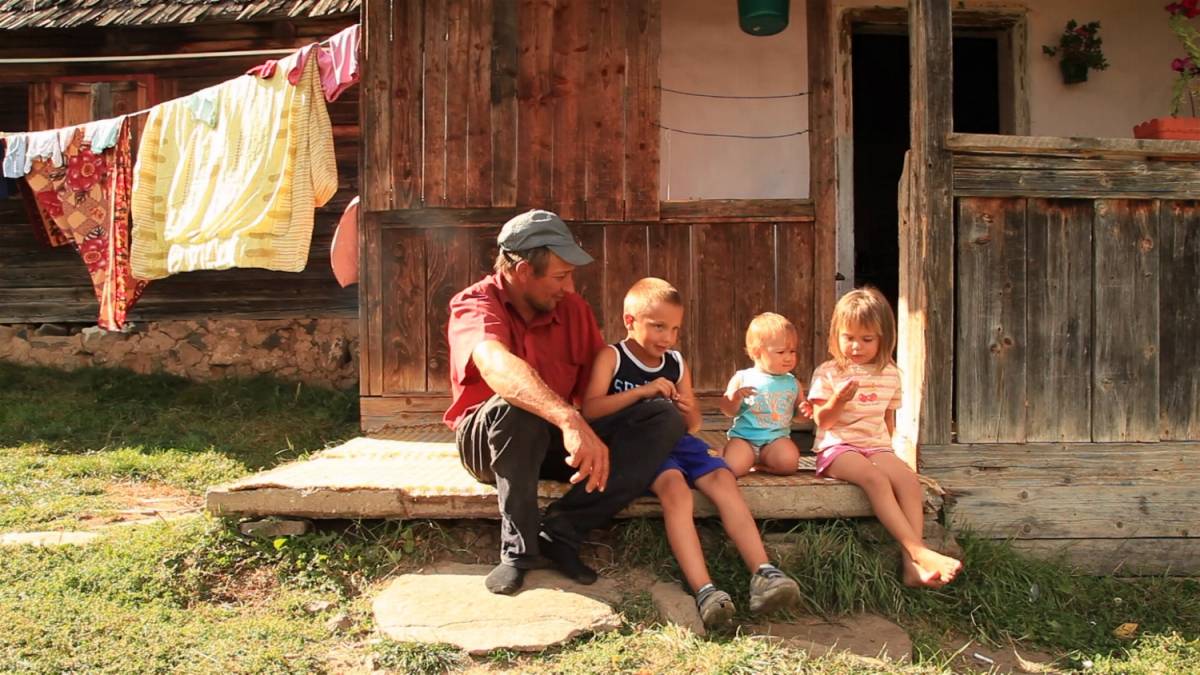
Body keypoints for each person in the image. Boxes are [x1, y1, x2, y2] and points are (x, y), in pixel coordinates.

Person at [446, 210, 685, 595]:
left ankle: (562, 532)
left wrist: (654, 406)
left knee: (661, 417)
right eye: (561, 277)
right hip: (491, 443)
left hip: (557, 440)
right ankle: (519, 550)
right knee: (516, 405)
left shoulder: (573, 309)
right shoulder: (475, 304)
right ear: (524, 271)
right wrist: (568, 419)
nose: (569, 287)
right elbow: (495, 364)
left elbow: (601, 391)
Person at [581, 278, 801, 628]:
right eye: (658, 327)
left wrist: (686, 410)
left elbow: (695, 423)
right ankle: (705, 591)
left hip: (680, 442)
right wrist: (642, 392)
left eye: (675, 329)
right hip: (641, 447)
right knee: (676, 492)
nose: (667, 338)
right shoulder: (613, 356)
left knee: (723, 479)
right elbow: (591, 409)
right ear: (629, 321)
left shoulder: (676, 362)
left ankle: (764, 573)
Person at [808, 287, 963, 588]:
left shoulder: (890, 373)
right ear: (836, 335)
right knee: (876, 480)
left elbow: (887, 419)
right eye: (849, 337)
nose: (856, 346)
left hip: (876, 446)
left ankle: (911, 568)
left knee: (908, 481)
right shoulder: (828, 372)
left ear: (883, 338)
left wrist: (889, 454)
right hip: (837, 448)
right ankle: (918, 551)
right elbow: (822, 421)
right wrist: (838, 400)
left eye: (867, 339)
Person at [718, 313, 808, 477]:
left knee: (788, 464)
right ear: (757, 352)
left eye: (792, 351)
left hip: (776, 440)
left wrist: (805, 411)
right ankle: (724, 452)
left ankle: (762, 465)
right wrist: (735, 398)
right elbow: (727, 410)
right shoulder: (743, 378)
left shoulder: (793, 383)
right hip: (744, 439)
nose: (788, 357)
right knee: (733, 468)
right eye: (781, 352)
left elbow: (799, 417)